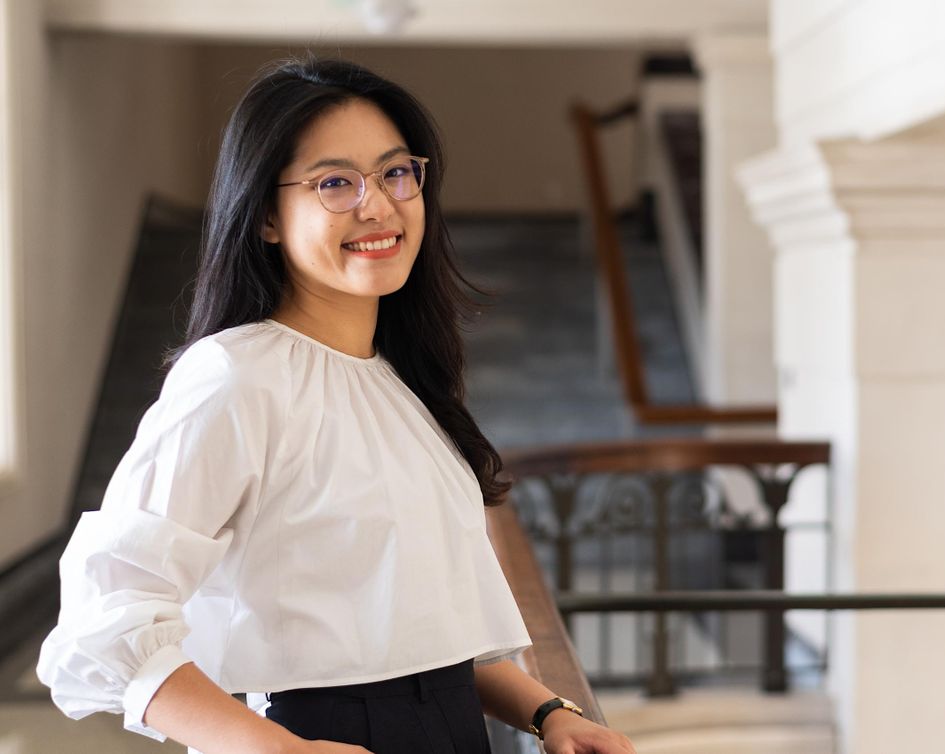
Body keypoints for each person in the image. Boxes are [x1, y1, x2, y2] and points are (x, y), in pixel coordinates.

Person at [36, 56, 635, 754]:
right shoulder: (235, 376)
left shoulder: (399, 380)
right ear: (265, 215)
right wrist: (277, 749)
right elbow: (103, 619)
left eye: (395, 173)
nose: (377, 204)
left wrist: (550, 714)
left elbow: (426, 639)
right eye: (334, 183)